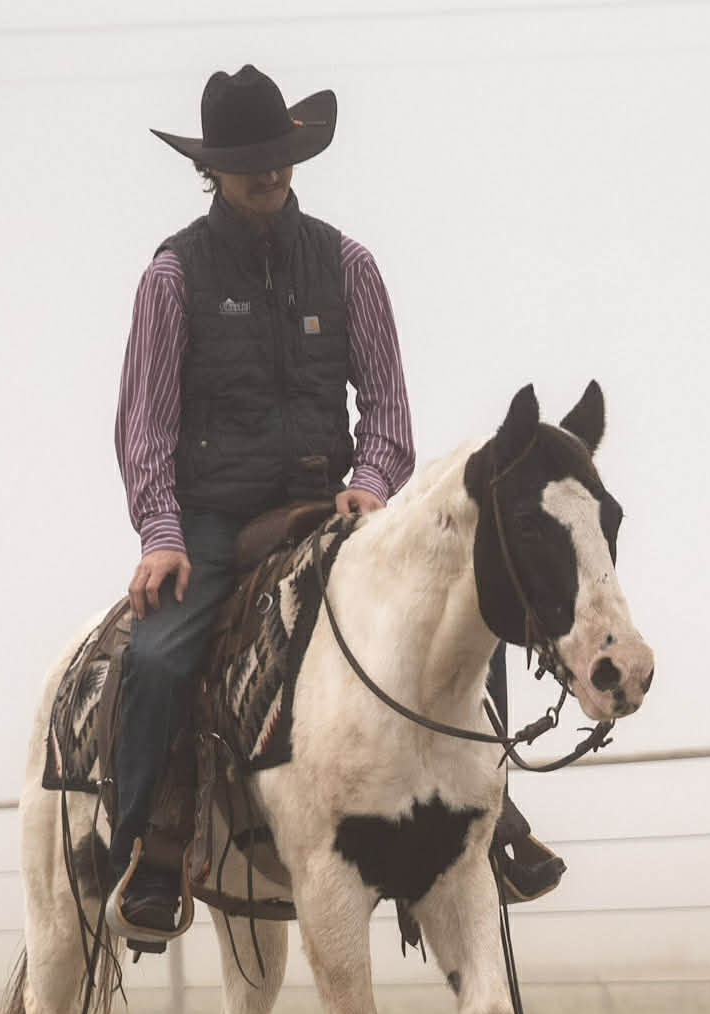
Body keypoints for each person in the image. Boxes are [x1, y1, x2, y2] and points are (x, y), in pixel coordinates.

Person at [105, 65, 561, 947]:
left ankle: (490, 811)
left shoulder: (349, 265)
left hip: (330, 501)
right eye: (250, 165)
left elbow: (386, 406)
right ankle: (151, 848)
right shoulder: (172, 277)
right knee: (158, 657)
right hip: (211, 517)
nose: (270, 177)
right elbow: (145, 426)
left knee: (465, 601)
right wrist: (162, 532)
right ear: (214, 172)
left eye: (279, 160)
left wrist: (375, 484)